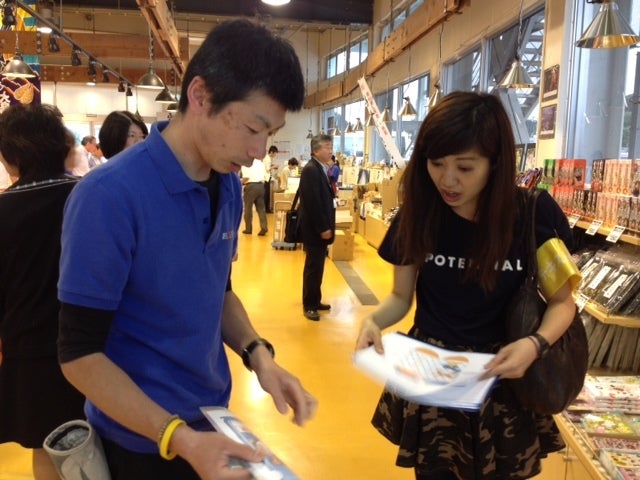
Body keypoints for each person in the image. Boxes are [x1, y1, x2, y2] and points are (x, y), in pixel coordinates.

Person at [57, 19, 317, 480]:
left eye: (270, 134)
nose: (260, 151)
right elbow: (79, 356)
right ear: (200, 96)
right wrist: (180, 438)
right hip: (139, 443)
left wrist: (260, 357)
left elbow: (219, 292)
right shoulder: (108, 196)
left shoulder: (228, 183)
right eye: (252, 128)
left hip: (212, 424)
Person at [355, 91, 580, 480]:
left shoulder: (532, 214)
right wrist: (374, 321)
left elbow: (563, 302)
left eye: (464, 167)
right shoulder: (418, 215)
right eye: (436, 163)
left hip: (506, 378)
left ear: (495, 162)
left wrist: (535, 344)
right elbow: (400, 297)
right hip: (435, 379)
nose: (448, 179)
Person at [0, 104, 85, 480]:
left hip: (29, 349)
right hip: (95, 343)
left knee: (46, 446)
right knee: (100, 439)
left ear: (12, 154)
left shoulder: (4, 209)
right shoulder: (87, 196)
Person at [298, 134, 336, 321]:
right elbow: (312, 202)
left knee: (318, 267)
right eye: (327, 147)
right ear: (315, 150)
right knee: (313, 268)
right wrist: (323, 228)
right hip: (314, 230)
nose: (330, 151)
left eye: (331, 147)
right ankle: (309, 305)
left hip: (319, 228)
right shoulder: (311, 170)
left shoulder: (320, 168)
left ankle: (315, 299)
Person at [240, 157, 269, 236]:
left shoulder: (246, 162)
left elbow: (246, 178)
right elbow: (265, 176)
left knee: (248, 208)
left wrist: (239, 182)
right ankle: (264, 227)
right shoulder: (260, 163)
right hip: (261, 186)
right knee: (261, 209)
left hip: (251, 186)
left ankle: (248, 229)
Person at [263, 145, 279, 213]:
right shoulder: (268, 158)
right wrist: (274, 166)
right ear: (271, 152)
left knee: (267, 194)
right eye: (275, 153)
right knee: (266, 194)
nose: (275, 155)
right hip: (266, 178)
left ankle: (267, 208)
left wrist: (272, 166)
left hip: (267, 178)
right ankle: (266, 209)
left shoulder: (267, 158)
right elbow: (267, 169)